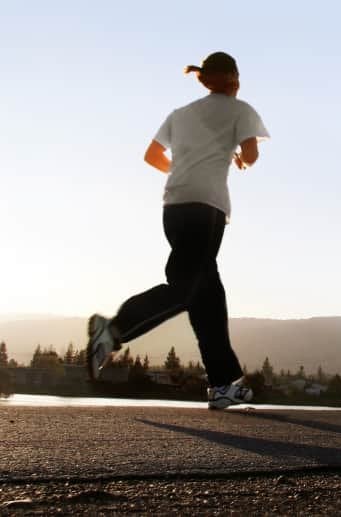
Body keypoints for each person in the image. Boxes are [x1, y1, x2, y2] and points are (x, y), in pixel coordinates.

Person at [86, 51, 269, 409]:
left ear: (204, 79)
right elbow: (251, 155)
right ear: (234, 79)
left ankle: (222, 384)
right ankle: (114, 330)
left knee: (208, 295)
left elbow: (152, 156)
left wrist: (183, 170)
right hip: (207, 208)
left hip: (174, 207)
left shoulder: (180, 114)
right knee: (186, 289)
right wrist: (238, 159)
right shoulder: (241, 109)